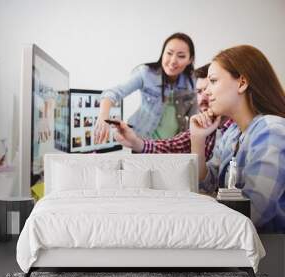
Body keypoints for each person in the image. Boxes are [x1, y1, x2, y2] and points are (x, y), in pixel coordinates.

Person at [190, 45, 285, 233]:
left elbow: (254, 211)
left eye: (213, 81)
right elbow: (208, 183)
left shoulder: (271, 131)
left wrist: (201, 204)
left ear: (242, 83)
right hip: (238, 246)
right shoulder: (232, 133)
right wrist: (197, 139)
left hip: (270, 252)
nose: (207, 91)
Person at [113, 64, 232, 161]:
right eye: (199, 92)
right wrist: (135, 142)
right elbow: (174, 146)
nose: (202, 99)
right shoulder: (207, 125)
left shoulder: (238, 131)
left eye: (208, 91)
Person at [94, 32, 198, 144]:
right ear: (162, 53)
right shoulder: (146, 73)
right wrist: (103, 117)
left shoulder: (194, 82)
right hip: (141, 142)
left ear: (190, 59)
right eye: (169, 53)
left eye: (181, 56)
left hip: (172, 147)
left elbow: (195, 120)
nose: (173, 61)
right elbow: (113, 93)